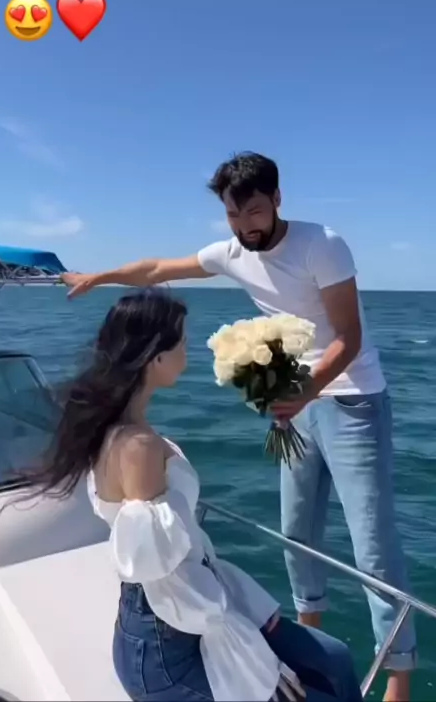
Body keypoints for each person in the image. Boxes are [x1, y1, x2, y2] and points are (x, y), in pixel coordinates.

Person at [62, 152, 416, 702]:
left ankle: (398, 678)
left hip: (352, 401)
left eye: (253, 212)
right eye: (233, 215)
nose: (244, 226)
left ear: (276, 200)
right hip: (297, 401)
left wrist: (304, 390)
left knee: (372, 545)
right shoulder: (231, 253)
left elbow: (349, 337)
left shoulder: (322, 244)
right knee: (296, 532)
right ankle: (308, 637)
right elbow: (156, 270)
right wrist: (98, 277)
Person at [28, 289, 363, 702]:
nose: (189, 351)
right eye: (183, 342)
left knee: (335, 657)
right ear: (156, 357)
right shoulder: (137, 447)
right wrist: (257, 659)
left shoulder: (125, 427)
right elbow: (164, 577)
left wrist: (249, 607)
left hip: (184, 613)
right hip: (167, 648)